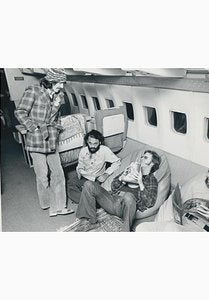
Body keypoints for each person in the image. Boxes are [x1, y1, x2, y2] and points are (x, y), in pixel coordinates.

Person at [14, 68, 74, 217]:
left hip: (52, 139)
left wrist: (58, 125)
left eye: (63, 83)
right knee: (42, 175)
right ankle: (48, 204)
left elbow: (56, 117)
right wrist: (32, 128)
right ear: (51, 81)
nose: (62, 86)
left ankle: (59, 205)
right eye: (60, 82)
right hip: (36, 139)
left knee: (59, 174)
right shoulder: (34, 91)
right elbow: (19, 112)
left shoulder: (60, 96)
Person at [136, 160, 209, 232]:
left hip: (200, 230)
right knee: (143, 228)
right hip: (181, 223)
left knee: (171, 230)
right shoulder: (199, 184)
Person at [73, 150, 161, 231]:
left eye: (145, 157)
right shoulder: (131, 170)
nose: (141, 158)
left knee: (128, 196)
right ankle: (90, 221)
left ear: (152, 163)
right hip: (112, 200)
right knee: (88, 184)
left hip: (125, 207)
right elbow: (113, 187)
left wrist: (140, 182)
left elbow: (150, 202)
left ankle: (125, 231)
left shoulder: (151, 180)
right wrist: (121, 178)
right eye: (142, 156)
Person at [66, 130, 121, 203]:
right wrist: (80, 170)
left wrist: (106, 174)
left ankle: (87, 200)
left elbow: (117, 162)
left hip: (96, 179)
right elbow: (80, 164)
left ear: (100, 142)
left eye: (95, 143)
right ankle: (88, 201)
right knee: (69, 184)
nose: (92, 146)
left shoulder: (105, 150)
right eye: (90, 143)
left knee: (92, 189)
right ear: (87, 142)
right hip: (84, 176)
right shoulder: (83, 151)